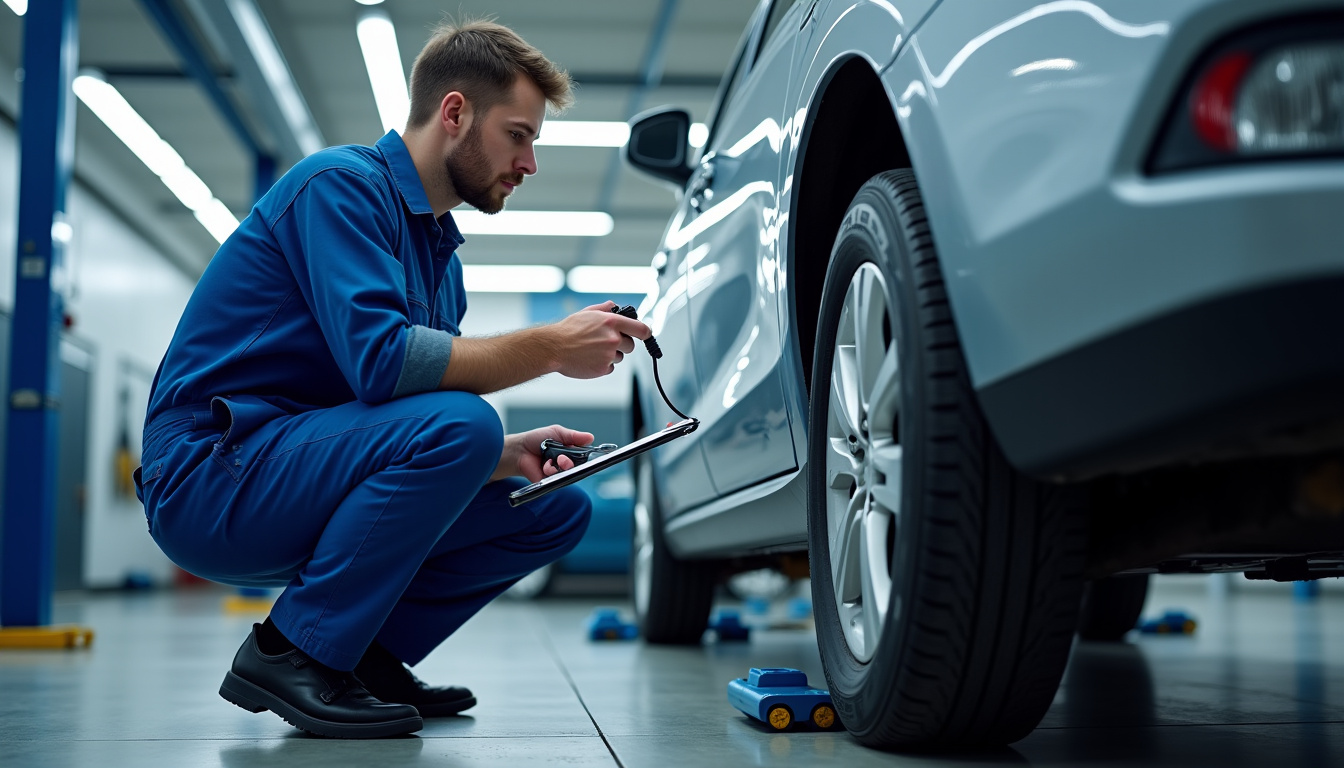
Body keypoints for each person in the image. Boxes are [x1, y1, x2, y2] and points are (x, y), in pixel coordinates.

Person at [134, 19, 648, 739]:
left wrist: (504, 458)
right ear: (456, 112)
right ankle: (290, 651)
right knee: (465, 423)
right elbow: (386, 365)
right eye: (520, 135)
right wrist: (552, 345)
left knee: (550, 506)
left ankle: (360, 657)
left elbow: (391, 416)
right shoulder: (339, 187)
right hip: (209, 477)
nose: (529, 162)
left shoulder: (442, 262)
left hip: (294, 470)